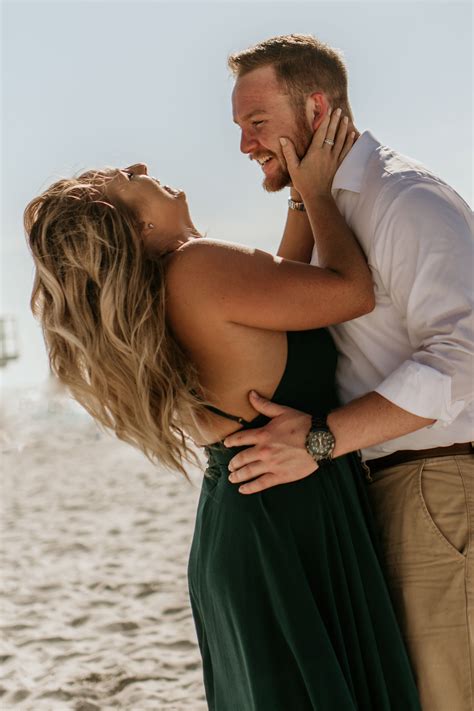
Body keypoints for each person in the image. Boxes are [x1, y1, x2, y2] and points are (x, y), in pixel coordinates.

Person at [24, 115, 421, 710]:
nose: (141, 168)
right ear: (139, 225)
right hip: (283, 508)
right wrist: (315, 192)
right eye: (128, 180)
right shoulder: (198, 267)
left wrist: (295, 192)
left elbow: (285, 290)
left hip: (249, 513)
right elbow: (349, 291)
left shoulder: (170, 288)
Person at [223, 33, 474, 711]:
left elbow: (462, 360)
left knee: (445, 693)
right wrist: (305, 200)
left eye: (257, 123)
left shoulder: (405, 199)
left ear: (316, 108)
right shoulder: (327, 207)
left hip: (438, 482)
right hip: (375, 487)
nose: (245, 144)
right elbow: (277, 315)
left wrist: (317, 441)